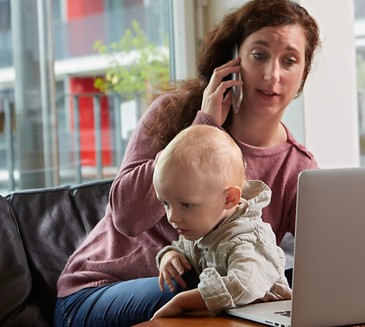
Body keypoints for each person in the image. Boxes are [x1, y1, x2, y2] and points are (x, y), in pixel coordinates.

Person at [55, 0, 320, 325]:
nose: (271, 74)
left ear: (303, 75)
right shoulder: (172, 113)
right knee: (208, 291)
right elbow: (127, 217)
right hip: (95, 293)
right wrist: (203, 126)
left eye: (289, 61)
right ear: (234, 59)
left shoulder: (298, 167)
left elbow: (320, 262)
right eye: (259, 54)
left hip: (201, 295)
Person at [150, 124, 291, 318]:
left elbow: (244, 285)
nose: (172, 217)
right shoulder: (203, 225)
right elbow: (184, 247)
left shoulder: (247, 238)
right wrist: (170, 255)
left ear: (229, 199)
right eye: (166, 203)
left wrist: (181, 302)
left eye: (186, 205)